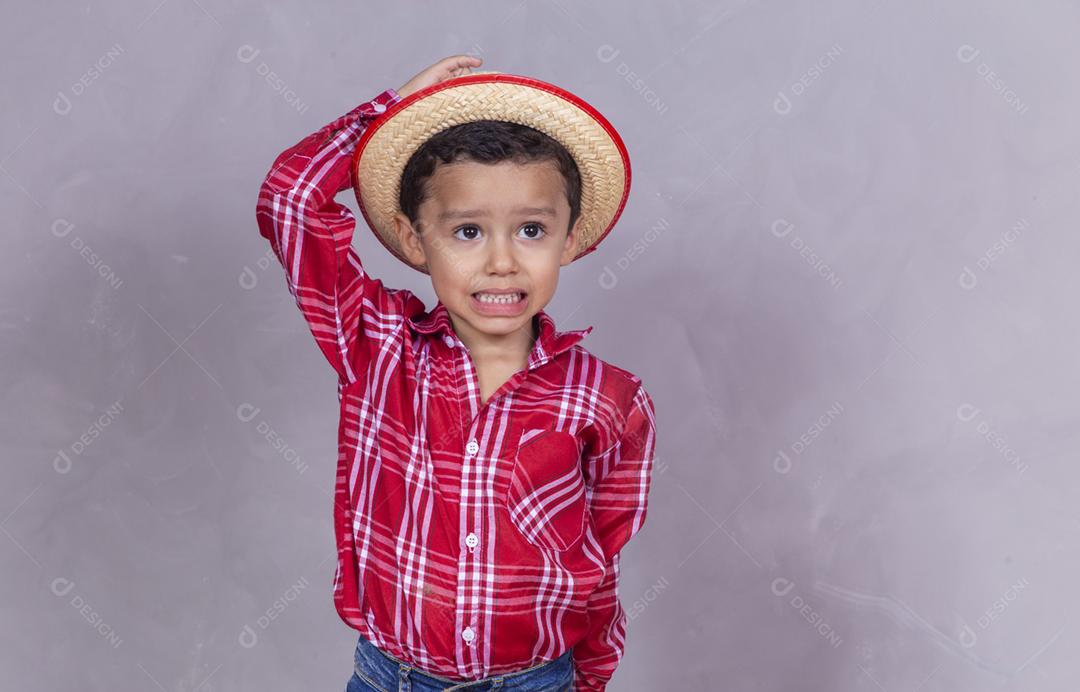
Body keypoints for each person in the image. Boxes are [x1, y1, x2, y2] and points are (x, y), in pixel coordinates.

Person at [254, 54, 657, 691]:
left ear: (571, 239)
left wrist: (592, 679)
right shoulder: (377, 348)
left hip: (535, 681)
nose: (501, 262)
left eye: (531, 229)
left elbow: (599, 559)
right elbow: (291, 201)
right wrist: (383, 115)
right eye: (467, 231)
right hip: (390, 677)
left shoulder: (609, 399)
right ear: (415, 241)